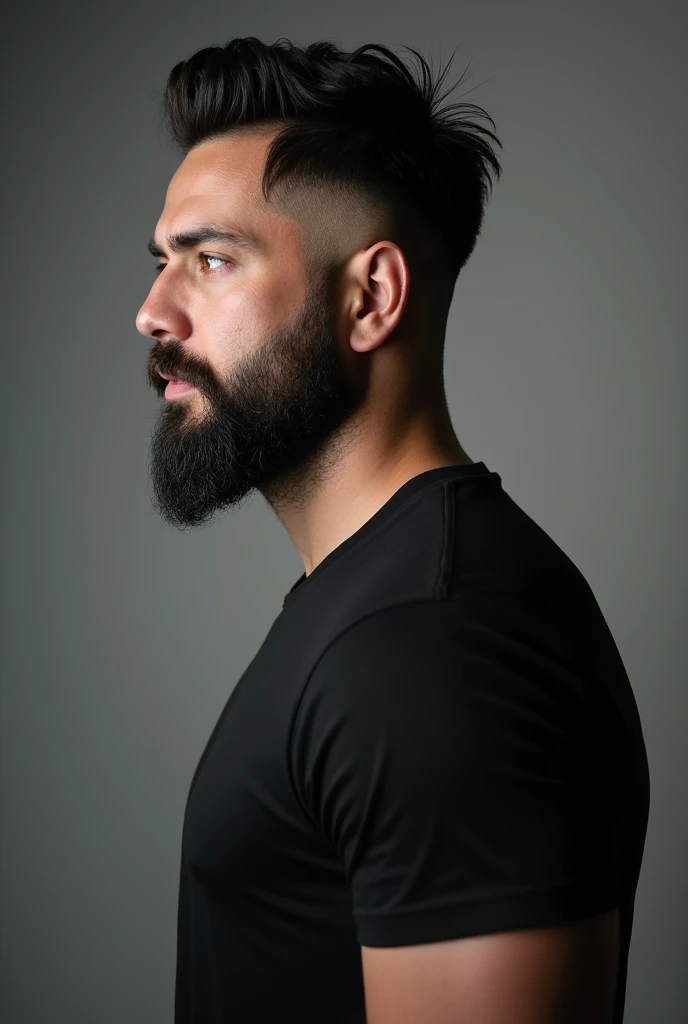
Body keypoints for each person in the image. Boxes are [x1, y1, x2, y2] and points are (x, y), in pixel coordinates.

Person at [135, 36, 650, 1024]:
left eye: (210, 259)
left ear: (369, 296)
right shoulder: (386, 607)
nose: (153, 311)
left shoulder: (430, 645)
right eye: (161, 263)